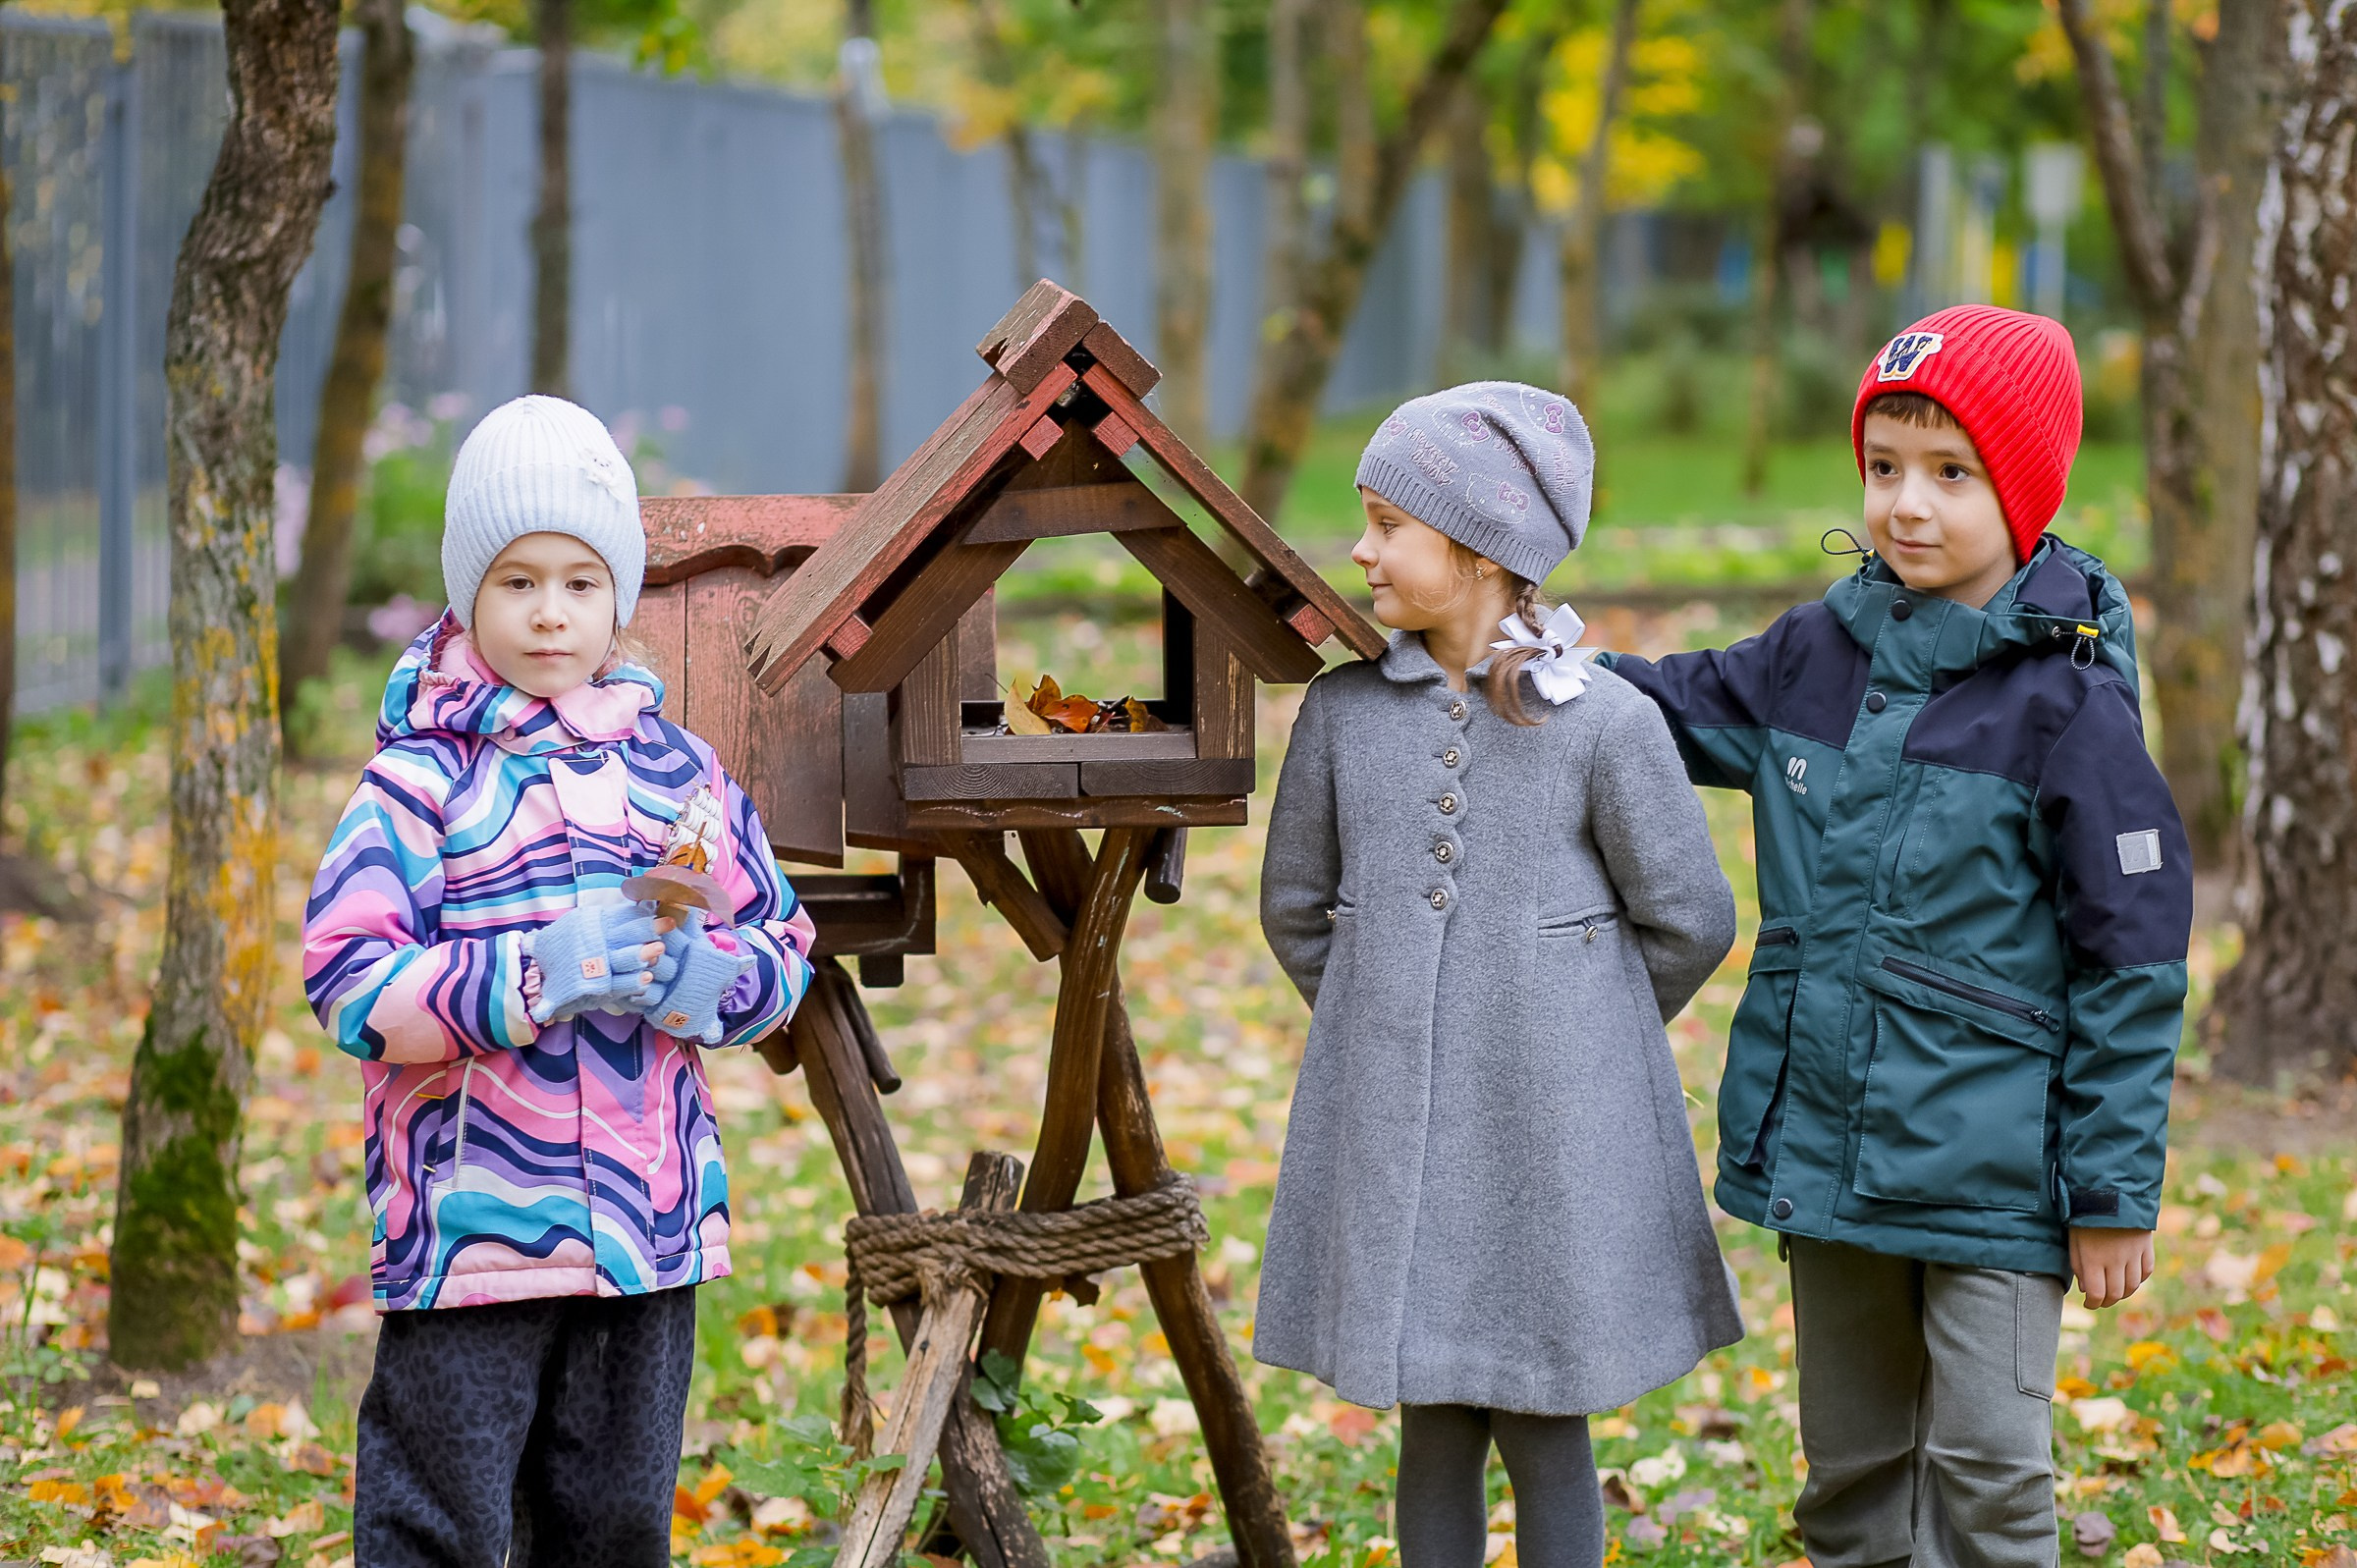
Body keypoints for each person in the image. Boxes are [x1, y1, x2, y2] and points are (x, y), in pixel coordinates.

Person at [1601, 304, 2193, 1568]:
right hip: (1830, 1149)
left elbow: (2132, 961)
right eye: (1883, 467)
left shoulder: (2067, 704)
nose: (1906, 505)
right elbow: (1677, 703)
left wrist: (2112, 1193)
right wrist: (1554, 665)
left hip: (1995, 1175)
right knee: (1853, 1469)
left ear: (2020, 490)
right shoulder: (1819, 650)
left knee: (1986, 1473)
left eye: (1949, 472)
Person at [301, 395, 816, 1567]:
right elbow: (348, 979)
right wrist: (535, 972)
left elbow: (782, 948)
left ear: (618, 596)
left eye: (581, 582)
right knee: (443, 1513)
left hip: (647, 1233)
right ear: (467, 593)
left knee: (617, 1521)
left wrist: (703, 979)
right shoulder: (420, 783)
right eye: (518, 581)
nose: (549, 613)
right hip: (470, 1232)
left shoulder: (676, 772)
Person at [1256, 384, 1743, 1568]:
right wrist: (1397, 1018)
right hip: (1396, 1131)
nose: (1360, 550)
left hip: (1551, 1134)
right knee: (1432, 1412)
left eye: (1388, 523)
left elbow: (1690, 919)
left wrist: (1573, 1027)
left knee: (1543, 1410)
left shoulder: (1604, 724)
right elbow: (1295, 909)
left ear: (1480, 550)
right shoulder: (1342, 714)